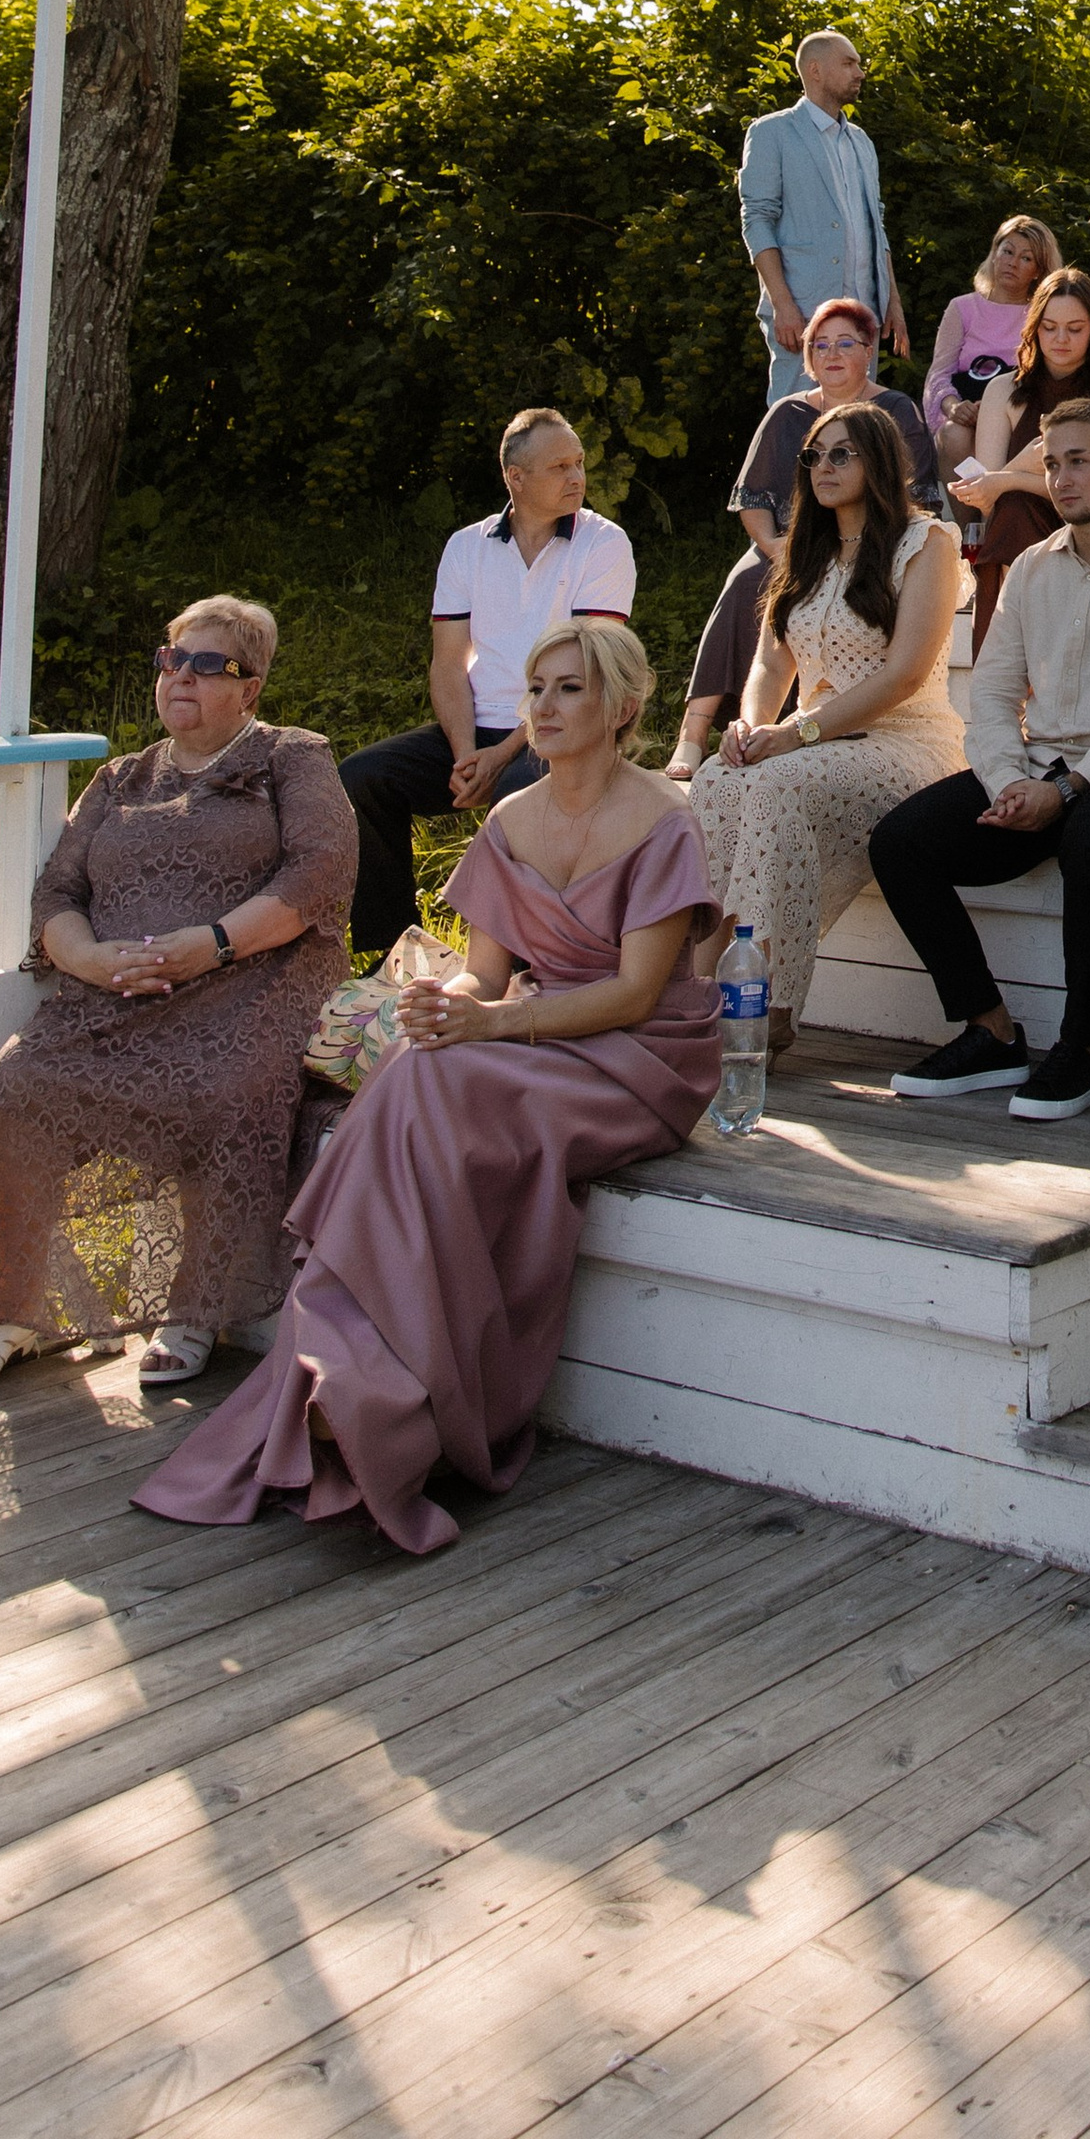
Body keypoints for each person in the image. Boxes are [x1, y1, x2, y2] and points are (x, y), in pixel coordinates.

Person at [137, 619, 729, 1557]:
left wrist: (489, 1022)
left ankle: (406, 1397)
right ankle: (348, 1379)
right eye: (536, 687)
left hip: (639, 1055)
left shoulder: (664, 819)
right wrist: (440, 999)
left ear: (621, 707)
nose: (542, 705)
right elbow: (483, 979)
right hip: (532, 1033)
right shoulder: (509, 820)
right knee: (418, 1070)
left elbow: (635, 992)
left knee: (447, 1091)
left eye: (568, 689)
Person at [0, 597, 356, 1402]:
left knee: (226, 1087)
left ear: (249, 687)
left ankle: (194, 1307)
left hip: (246, 984)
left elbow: (318, 874)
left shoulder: (292, 758)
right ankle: (13, 1312)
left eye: (207, 664)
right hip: (113, 994)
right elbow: (58, 890)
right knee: (18, 1084)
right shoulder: (122, 777)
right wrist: (88, 957)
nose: (181, 676)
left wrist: (211, 943)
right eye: (172, 659)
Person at [871, 400, 1090, 1121]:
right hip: (1037, 768)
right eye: (1050, 462)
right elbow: (990, 694)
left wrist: (1070, 786)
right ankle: (989, 1027)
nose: (1060, 477)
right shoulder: (1028, 568)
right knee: (900, 842)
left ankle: (1079, 1053)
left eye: (1078, 460)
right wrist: (1011, 779)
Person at [687, 402, 964, 1028]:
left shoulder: (926, 543)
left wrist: (796, 733)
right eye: (814, 456)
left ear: (881, 461)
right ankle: (695, 995)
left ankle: (765, 1008)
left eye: (842, 453)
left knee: (774, 786)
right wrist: (751, 726)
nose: (823, 467)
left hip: (907, 744)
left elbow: (905, 676)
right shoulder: (803, 553)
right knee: (715, 778)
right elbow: (769, 666)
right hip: (811, 742)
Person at [338, 409, 633, 959]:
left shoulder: (603, 543)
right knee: (363, 777)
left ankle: (523, 965)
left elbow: (585, 673)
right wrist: (466, 754)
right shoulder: (466, 546)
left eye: (579, 463)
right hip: (475, 728)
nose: (577, 478)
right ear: (514, 478)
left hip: (565, 727)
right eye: (560, 467)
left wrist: (498, 758)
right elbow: (449, 663)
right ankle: (392, 954)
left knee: (515, 792)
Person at [667, 302, 942, 775]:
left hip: (870, 543)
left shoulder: (894, 409)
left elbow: (914, 498)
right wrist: (780, 549)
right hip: (793, 542)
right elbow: (752, 500)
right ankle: (697, 731)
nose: (832, 353)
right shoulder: (787, 411)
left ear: (869, 351)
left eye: (844, 343)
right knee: (743, 585)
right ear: (808, 357)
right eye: (820, 345)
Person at [957, 268, 1090, 642]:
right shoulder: (1001, 390)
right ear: (1033, 328)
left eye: (1074, 329)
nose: (1061, 339)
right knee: (1013, 509)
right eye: (1049, 327)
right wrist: (1014, 475)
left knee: (1015, 503)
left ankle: (1022, 641)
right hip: (1015, 522)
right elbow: (987, 501)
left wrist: (1009, 478)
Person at [740, 30, 910, 404]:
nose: (860, 72)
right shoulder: (771, 132)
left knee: (857, 428)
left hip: (864, 316)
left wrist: (891, 302)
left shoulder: (862, 142)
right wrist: (782, 303)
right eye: (849, 63)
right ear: (814, 70)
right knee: (796, 424)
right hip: (801, 313)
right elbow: (757, 220)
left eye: (859, 64)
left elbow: (875, 226)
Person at [923, 215, 1063, 459]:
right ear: (994, 252)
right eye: (1007, 251)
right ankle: (965, 498)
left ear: (1038, 270)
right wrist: (953, 406)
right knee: (952, 434)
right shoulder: (961, 308)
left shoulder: (1044, 313)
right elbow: (938, 375)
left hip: (1019, 414)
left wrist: (994, 409)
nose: (1013, 263)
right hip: (966, 414)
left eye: (1026, 258)